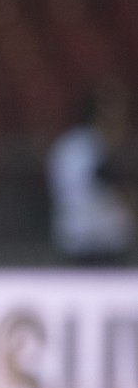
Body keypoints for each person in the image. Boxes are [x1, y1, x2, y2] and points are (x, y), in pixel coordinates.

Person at [46, 78, 137, 265]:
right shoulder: (73, 147)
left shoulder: (126, 146)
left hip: (116, 246)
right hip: (81, 246)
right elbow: (83, 189)